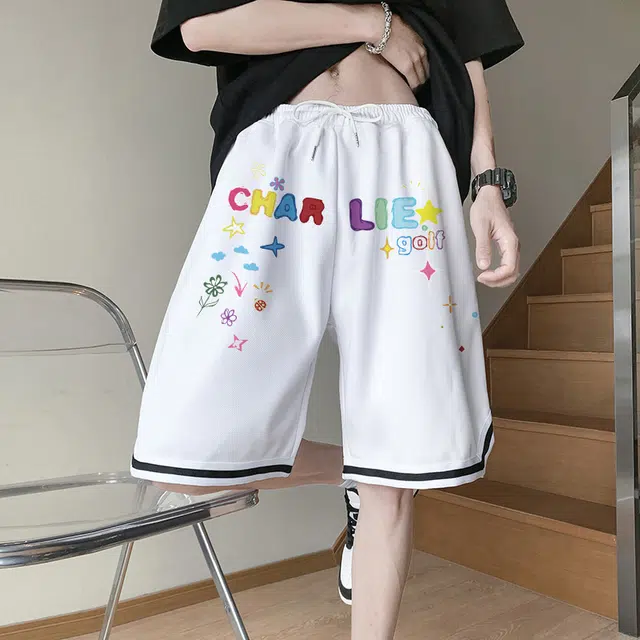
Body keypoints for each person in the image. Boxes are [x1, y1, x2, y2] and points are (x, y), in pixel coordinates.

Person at [131, 0, 523, 637]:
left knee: (401, 451)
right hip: (278, 151)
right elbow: (201, 28)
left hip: (406, 160)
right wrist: (374, 25)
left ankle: (375, 483)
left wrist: (487, 184)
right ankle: (352, 469)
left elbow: (469, 47)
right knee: (189, 451)